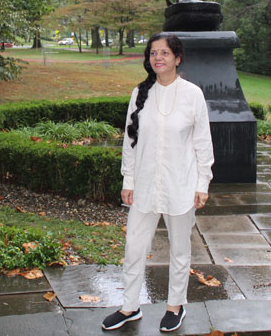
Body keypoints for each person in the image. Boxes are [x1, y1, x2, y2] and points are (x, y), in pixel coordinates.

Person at [102, 32, 214, 332]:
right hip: (145, 184)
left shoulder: (192, 94)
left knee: (179, 248)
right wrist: (128, 179)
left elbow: (203, 143)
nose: (158, 58)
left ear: (177, 58)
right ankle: (129, 306)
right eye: (153, 53)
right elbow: (130, 141)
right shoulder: (140, 93)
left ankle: (175, 306)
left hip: (181, 184)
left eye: (164, 53)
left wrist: (202, 183)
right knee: (134, 245)